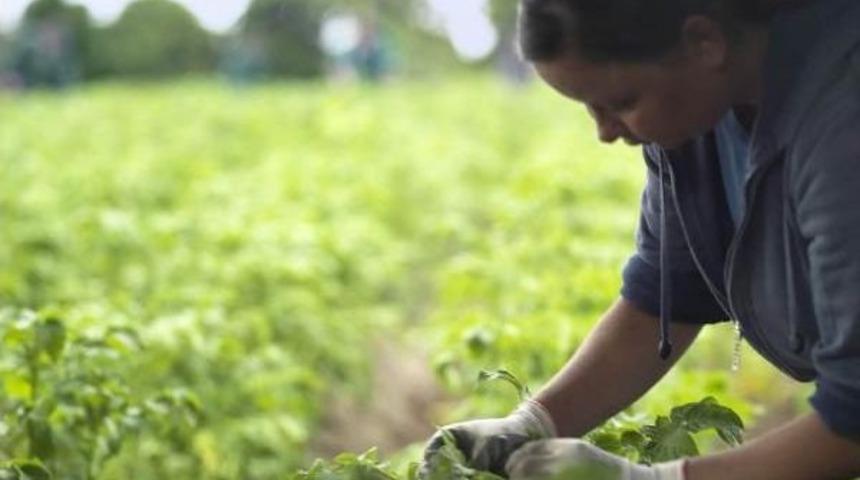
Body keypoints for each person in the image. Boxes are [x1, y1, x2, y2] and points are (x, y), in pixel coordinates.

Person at [421, 0, 860, 478]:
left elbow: (853, 418)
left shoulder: (843, 122)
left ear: (703, 43)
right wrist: (535, 422)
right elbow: (666, 293)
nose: (606, 132)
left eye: (621, 101)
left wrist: (652, 478)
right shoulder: (696, 115)